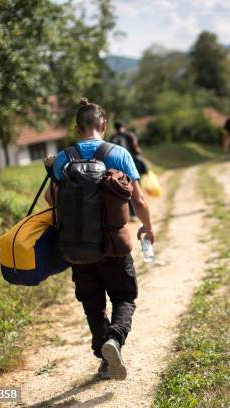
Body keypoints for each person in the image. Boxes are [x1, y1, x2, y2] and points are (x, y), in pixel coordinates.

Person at [44, 99, 154, 380]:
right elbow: (139, 200)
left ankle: (104, 361)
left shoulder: (62, 158)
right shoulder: (118, 154)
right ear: (103, 125)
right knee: (124, 295)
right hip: (113, 246)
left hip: (76, 247)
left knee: (92, 303)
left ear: (77, 128)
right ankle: (114, 340)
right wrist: (147, 227)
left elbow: (49, 199)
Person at [110, 121, 147, 218]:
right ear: (123, 126)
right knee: (136, 188)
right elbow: (136, 149)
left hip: (117, 167)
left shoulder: (112, 138)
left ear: (115, 128)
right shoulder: (129, 135)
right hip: (132, 165)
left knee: (125, 188)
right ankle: (138, 211)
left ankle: (130, 213)